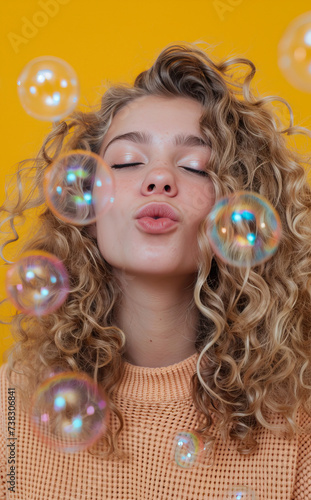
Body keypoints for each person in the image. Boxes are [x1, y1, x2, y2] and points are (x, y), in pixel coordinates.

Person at [0, 41, 311, 500]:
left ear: (241, 213)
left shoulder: (297, 418)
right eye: (127, 162)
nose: (159, 178)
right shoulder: (10, 403)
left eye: (195, 167)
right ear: (83, 209)